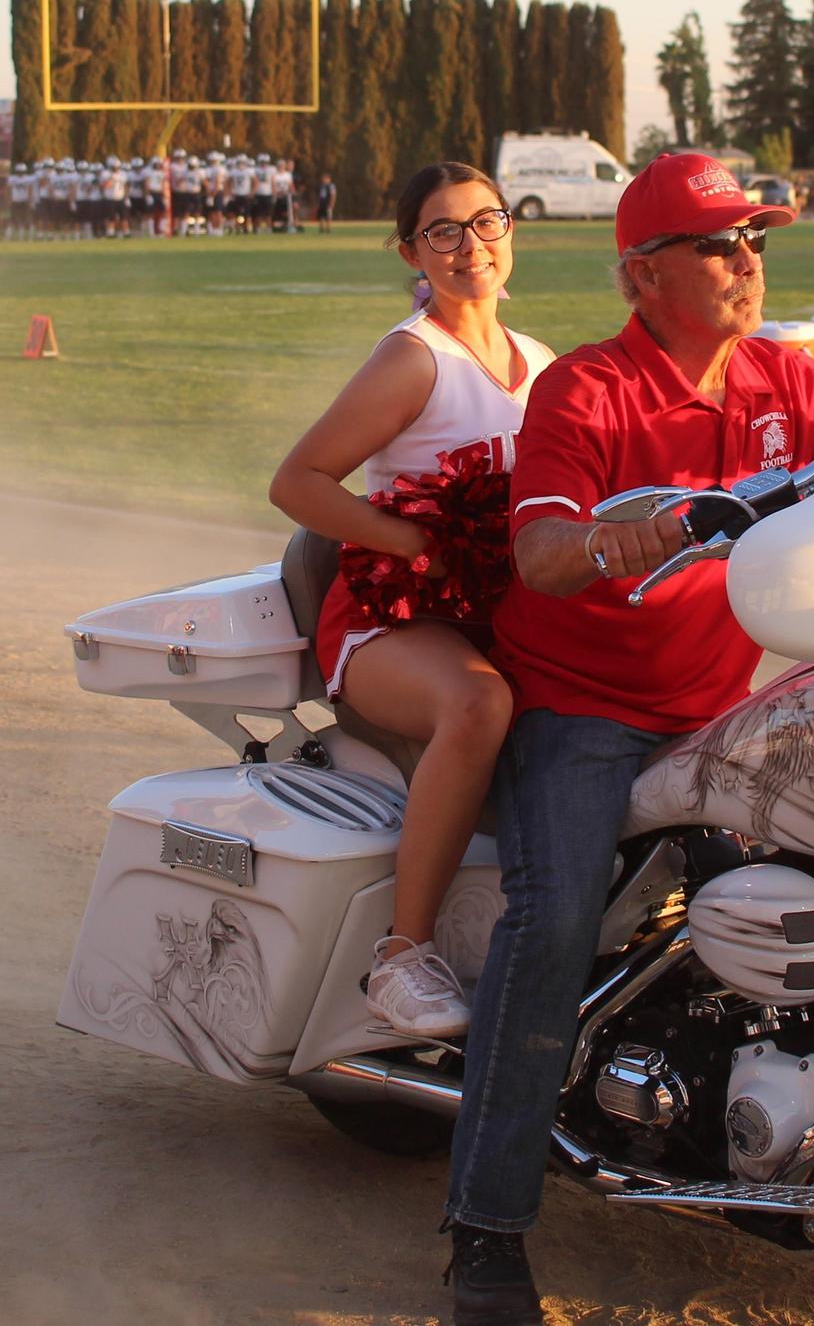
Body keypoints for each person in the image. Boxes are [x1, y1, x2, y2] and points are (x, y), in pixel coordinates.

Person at [437, 152, 814, 1324]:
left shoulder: (789, 374)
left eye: (758, 241)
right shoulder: (587, 392)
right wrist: (618, 538)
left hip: (724, 704)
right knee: (556, 918)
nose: (749, 260)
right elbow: (539, 554)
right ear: (644, 275)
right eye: (720, 243)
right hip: (585, 705)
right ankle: (485, 1228)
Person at [269, 161, 555, 1044]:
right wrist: (415, 544)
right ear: (412, 252)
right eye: (444, 231)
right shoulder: (413, 356)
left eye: (487, 222)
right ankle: (402, 953)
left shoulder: (541, 362)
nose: (472, 246)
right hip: (390, 618)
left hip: (491, 613)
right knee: (480, 702)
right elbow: (298, 482)